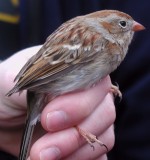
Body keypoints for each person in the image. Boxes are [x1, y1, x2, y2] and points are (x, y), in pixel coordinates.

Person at [0, 0, 150, 160]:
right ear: (107, 26)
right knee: (66, 111)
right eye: (122, 24)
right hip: (47, 81)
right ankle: (76, 128)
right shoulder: (98, 40)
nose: (133, 27)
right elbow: (54, 66)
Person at [0, 46, 115, 160]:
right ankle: (76, 127)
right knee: (64, 110)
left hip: (41, 76)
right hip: (44, 82)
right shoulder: (93, 42)